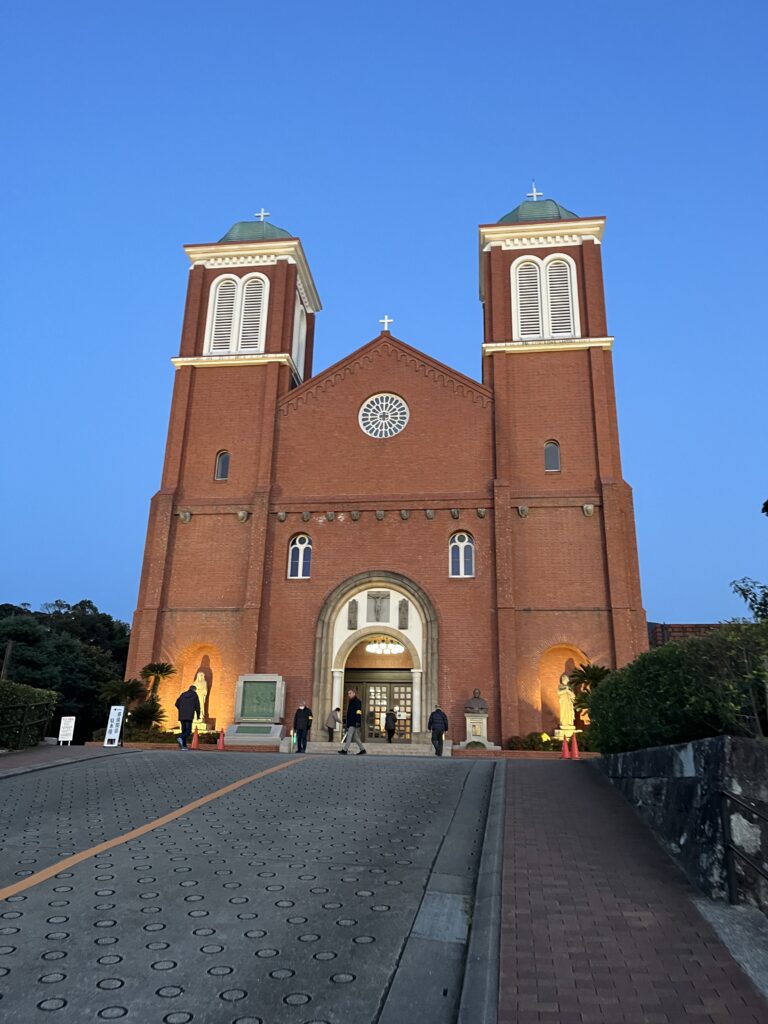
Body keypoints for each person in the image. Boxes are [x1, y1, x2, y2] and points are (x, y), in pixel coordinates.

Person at [339, 689, 366, 755]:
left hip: (354, 722)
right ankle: (362, 749)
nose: (349, 695)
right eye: (348, 693)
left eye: (350, 693)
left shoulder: (357, 701)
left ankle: (345, 750)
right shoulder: (351, 702)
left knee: (349, 735)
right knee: (355, 737)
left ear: (354, 693)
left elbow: (358, 712)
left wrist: (357, 721)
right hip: (351, 722)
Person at [175, 684, 201, 750]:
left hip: (182, 715)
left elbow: (176, 704)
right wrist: (198, 715)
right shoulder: (195, 695)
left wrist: (181, 709)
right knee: (188, 731)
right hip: (189, 715)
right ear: (194, 690)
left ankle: (184, 746)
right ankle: (180, 738)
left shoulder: (183, 694)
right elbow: (197, 706)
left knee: (184, 731)